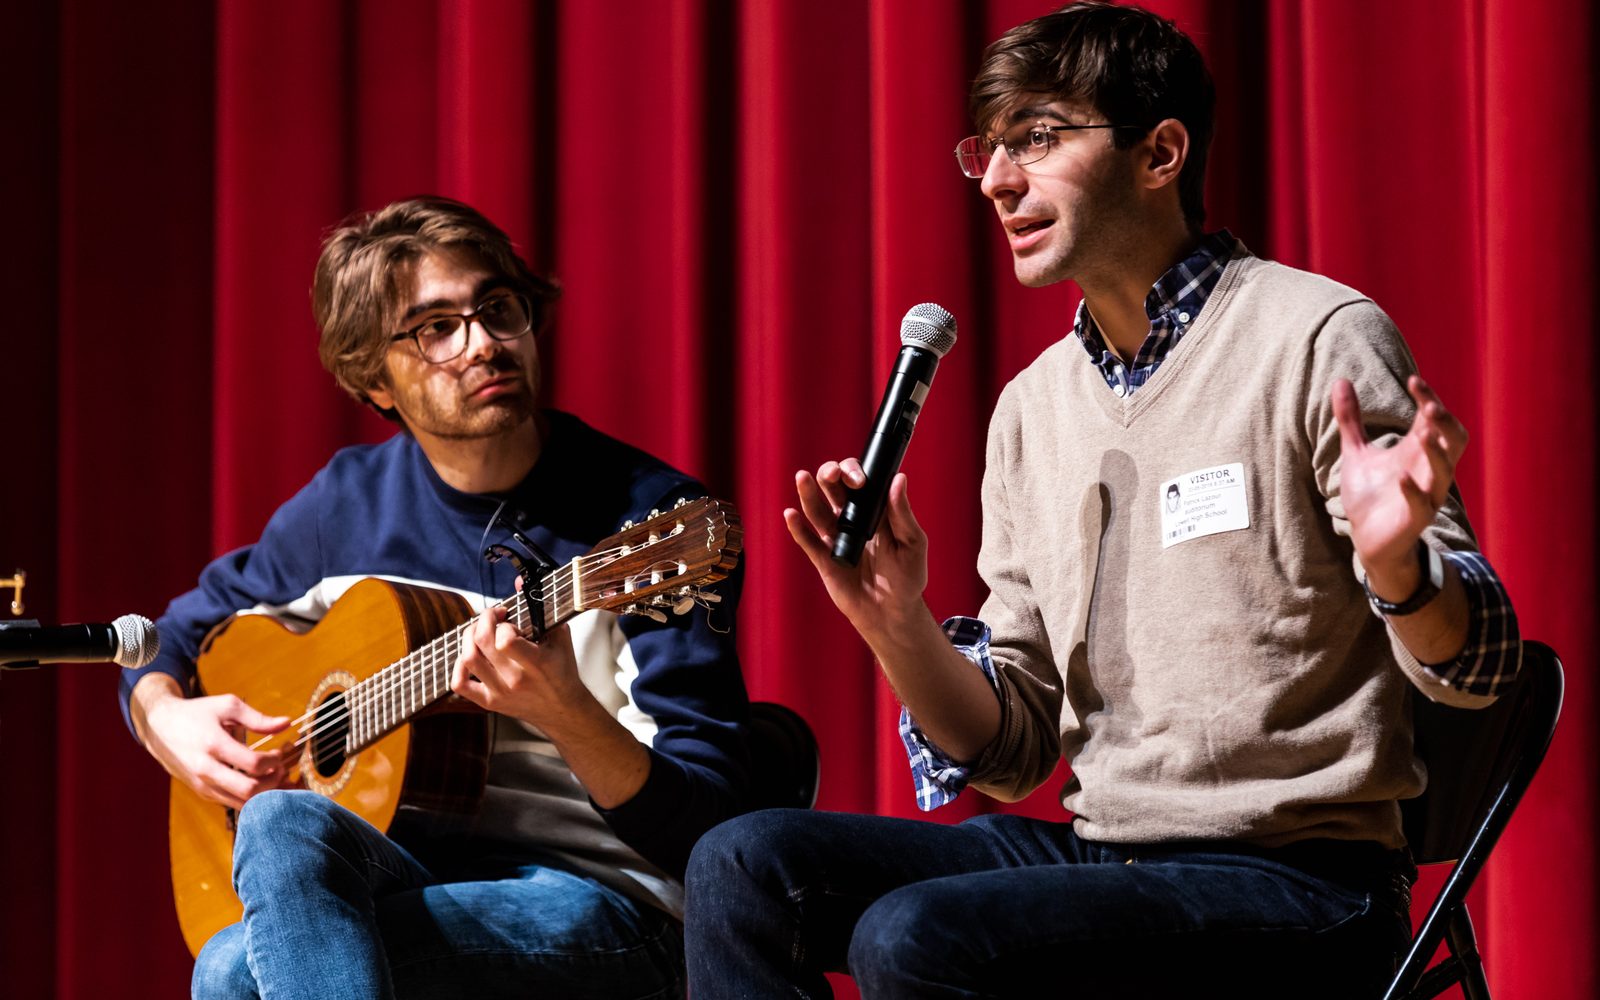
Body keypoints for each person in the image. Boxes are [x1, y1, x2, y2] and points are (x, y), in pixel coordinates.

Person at [683, 3, 1520, 997]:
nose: (996, 179)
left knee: (915, 937)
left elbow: (1484, 668)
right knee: (741, 865)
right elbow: (1010, 749)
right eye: (987, 150)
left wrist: (1398, 568)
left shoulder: (1315, 336)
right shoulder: (1032, 410)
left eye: (1036, 138)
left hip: (1299, 884)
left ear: (1160, 152)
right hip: (1106, 860)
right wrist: (895, 623)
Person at [119, 196, 750, 999]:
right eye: (435, 328)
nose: (483, 343)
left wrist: (567, 714)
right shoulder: (342, 510)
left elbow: (712, 831)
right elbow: (170, 640)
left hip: (609, 906)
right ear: (373, 380)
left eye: (498, 309)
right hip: (414, 871)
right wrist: (164, 716)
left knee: (228, 971)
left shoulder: (650, 524)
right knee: (279, 820)